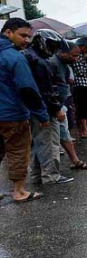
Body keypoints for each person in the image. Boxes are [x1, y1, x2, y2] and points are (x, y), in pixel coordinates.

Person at [0, 18, 47, 202]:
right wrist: (42, 114)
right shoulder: (15, 57)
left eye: (29, 36)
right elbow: (28, 89)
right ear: (8, 32)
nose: (27, 40)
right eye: (23, 35)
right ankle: (19, 192)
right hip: (12, 115)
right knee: (18, 151)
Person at [24, 29, 74, 185]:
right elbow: (47, 91)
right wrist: (57, 109)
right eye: (52, 46)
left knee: (37, 144)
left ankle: (37, 176)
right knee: (49, 142)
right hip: (44, 110)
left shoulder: (29, 57)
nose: (53, 50)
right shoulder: (40, 63)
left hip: (33, 110)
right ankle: (51, 176)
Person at [49, 43, 87, 170]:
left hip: (60, 104)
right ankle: (51, 174)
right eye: (74, 55)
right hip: (54, 106)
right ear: (63, 52)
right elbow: (49, 89)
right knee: (52, 140)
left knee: (64, 133)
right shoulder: (53, 64)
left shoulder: (64, 65)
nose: (76, 58)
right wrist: (56, 108)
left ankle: (75, 160)